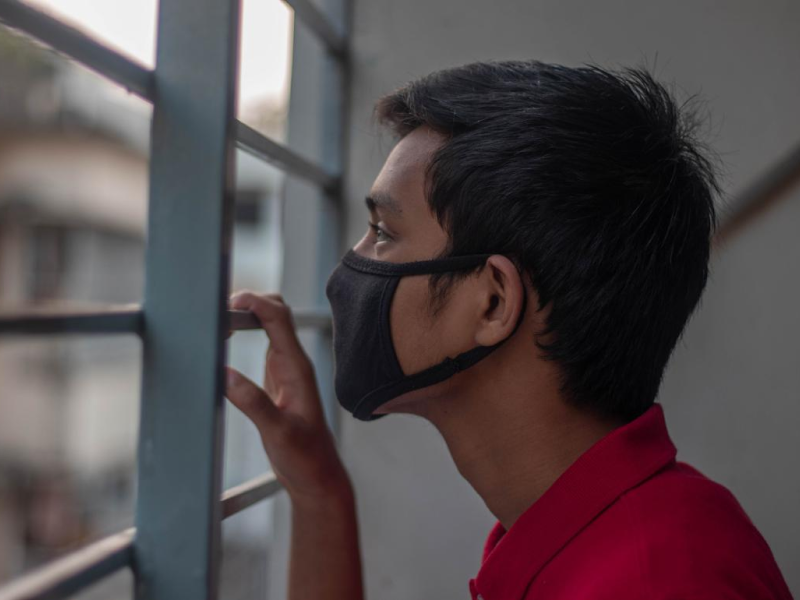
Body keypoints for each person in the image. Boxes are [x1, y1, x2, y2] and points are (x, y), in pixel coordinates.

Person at [224, 60, 793, 599]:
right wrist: (318, 493)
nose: (348, 267)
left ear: (493, 302)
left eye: (383, 232)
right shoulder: (585, 528)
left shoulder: (654, 581)